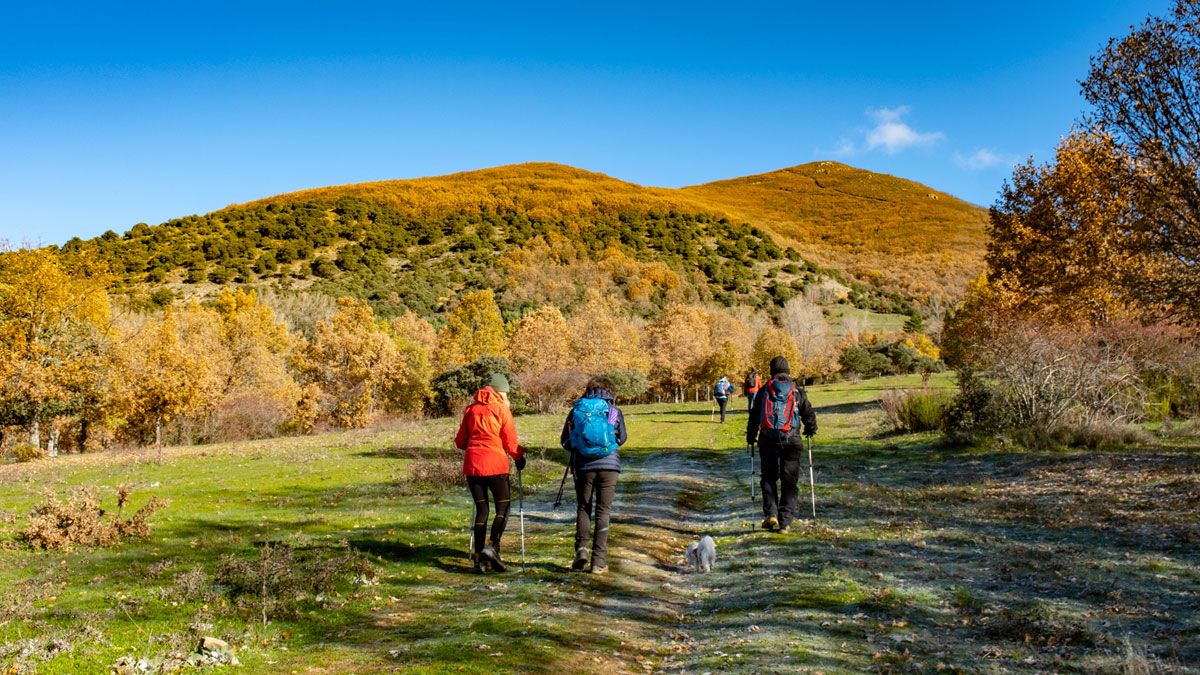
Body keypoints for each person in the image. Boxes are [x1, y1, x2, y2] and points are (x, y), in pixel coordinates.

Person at [455, 373, 526, 573]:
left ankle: (479, 558)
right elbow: (510, 442)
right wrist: (519, 457)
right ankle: (492, 546)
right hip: (496, 465)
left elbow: (460, 441)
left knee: (482, 510)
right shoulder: (502, 409)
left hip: (473, 466)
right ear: (500, 392)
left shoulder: (471, 409)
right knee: (503, 508)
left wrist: (475, 447)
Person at [560, 376, 627, 574]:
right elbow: (621, 438)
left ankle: (581, 549)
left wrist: (580, 446)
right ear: (609, 391)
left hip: (582, 466)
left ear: (588, 390)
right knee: (603, 511)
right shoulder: (612, 411)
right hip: (609, 466)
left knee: (583, 507)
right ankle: (598, 561)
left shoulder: (576, 411)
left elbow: (565, 441)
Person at [746, 356, 816, 534]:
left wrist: (751, 436)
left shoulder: (764, 391)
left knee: (768, 478)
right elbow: (807, 411)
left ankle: (771, 514)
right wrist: (810, 429)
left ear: (772, 371)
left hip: (768, 438)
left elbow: (754, 416)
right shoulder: (796, 390)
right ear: (788, 371)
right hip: (791, 439)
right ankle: (785, 522)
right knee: (789, 480)